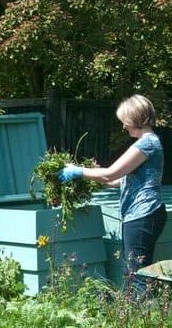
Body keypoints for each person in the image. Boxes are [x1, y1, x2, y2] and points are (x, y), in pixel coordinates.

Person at [58, 94, 166, 293]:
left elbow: (111, 173)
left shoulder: (146, 144)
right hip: (143, 214)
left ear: (135, 119)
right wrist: (90, 181)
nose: (123, 126)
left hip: (142, 214)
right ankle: (139, 316)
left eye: (125, 121)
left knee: (136, 274)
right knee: (134, 271)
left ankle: (141, 319)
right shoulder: (149, 142)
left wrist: (77, 171)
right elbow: (119, 180)